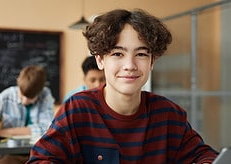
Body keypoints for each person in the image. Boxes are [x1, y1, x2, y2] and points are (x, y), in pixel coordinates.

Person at [27, 9, 218, 163]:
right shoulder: (77, 110)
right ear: (100, 60)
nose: (130, 65)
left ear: (152, 61)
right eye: (118, 54)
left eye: (141, 54)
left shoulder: (169, 114)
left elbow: (205, 156)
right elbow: (41, 160)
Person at [0, 65, 55, 164]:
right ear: (18, 83)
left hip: (36, 153)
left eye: (30, 98)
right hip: (7, 154)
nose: (24, 101)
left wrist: (5, 132)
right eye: (22, 95)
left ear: (40, 92)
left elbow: (47, 129)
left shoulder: (45, 95)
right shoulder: (3, 98)